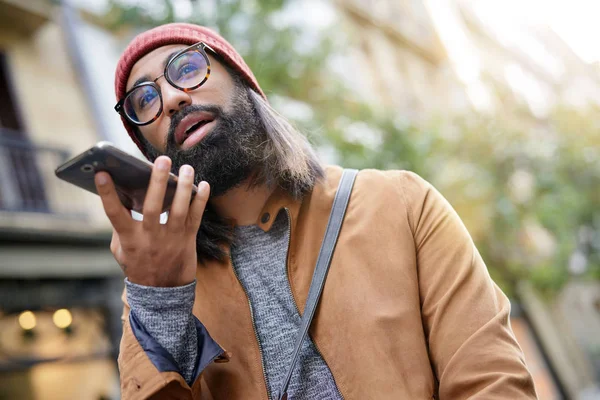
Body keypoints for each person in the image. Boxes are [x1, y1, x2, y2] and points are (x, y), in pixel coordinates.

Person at [97, 23, 538, 399]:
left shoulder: (404, 204)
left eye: (188, 68)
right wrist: (160, 305)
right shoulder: (157, 288)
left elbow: (491, 383)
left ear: (245, 85)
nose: (171, 98)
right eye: (144, 101)